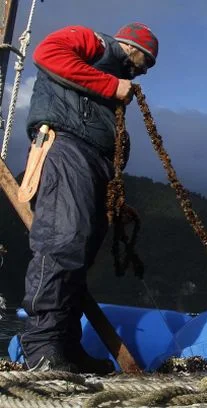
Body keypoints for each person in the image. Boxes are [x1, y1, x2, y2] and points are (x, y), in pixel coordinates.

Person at [19, 22, 159, 373]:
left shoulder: (109, 81)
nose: (143, 71)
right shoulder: (91, 41)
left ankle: (66, 345)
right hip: (67, 146)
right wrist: (113, 86)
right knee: (64, 238)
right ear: (132, 46)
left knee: (82, 251)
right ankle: (41, 346)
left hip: (96, 161)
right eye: (146, 61)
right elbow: (48, 53)